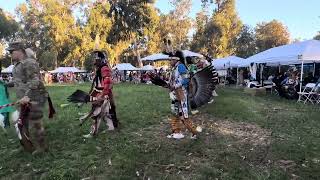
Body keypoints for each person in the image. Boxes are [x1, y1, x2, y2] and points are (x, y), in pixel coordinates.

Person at [6, 41, 55, 153]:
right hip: (23, 99)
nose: (10, 54)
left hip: (35, 98)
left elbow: (35, 80)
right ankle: (28, 147)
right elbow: (18, 81)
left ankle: (42, 148)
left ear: (19, 51)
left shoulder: (29, 63)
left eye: (11, 51)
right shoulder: (17, 65)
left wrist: (27, 96)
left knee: (35, 124)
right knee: (22, 123)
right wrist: (5, 84)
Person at [83, 50, 119, 138]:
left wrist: (102, 96)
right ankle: (111, 127)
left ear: (100, 60)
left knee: (96, 113)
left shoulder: (104, 68)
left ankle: (93, 132)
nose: (94, 61)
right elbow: (98, 84)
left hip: (103, 95)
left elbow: (108, 83)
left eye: (96, 59)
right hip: (102, 93)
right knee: (107, 112)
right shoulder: (100, 68)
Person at [167, 51, 198, 139]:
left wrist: (176, 85)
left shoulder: (180, 66)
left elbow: (186, 79)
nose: (169, 62)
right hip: (175, 93)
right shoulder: (174, 68)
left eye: (171, 60)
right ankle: (176, 132)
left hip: (181, 93)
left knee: (183, 114)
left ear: (176, 59)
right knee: (175, 113)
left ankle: (194, 132)